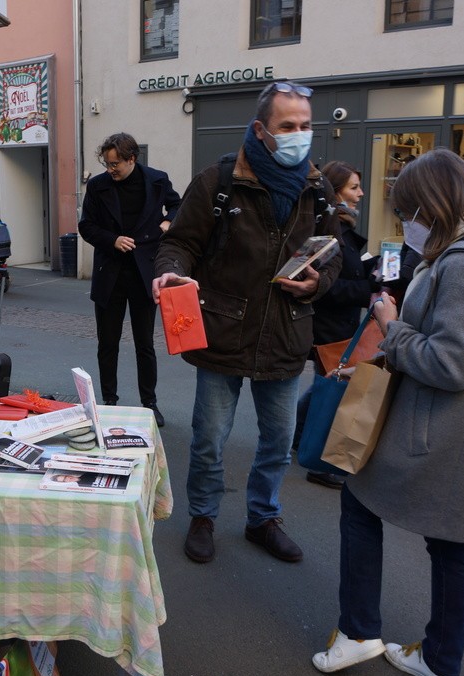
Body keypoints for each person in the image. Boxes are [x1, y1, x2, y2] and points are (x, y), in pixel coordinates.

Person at [311, 148, 464, 676]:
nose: (405, 223)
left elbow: (450, 362)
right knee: (447, 543)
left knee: (363, 504)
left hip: (444, 433)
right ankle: (438, 658)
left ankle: (361, 632)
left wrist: (392, 326)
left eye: (409, 211)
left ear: (432, 206)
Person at [151, 81, 342, 564]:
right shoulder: (219, 181)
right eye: (288, 126)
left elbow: (335, 255)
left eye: (305, 126)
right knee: (210, 439)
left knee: (277, 443)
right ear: (261, 129)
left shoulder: (317, 188)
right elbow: (181, 243)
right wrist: (170, 271)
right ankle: (203, 515)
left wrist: (317, 282)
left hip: (285, 334)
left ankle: (263, 518)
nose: (300, 135)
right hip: (224, 331)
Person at [79, 132, 181, 427]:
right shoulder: (98, 186)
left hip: (143, 273)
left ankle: (150, 402)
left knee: (145, 344)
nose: (110, 169)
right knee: (107, 343)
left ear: (131, 159)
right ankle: (109, 401)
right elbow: (86, 226)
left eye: (115, 164)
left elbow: (178, 205)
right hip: (109, 274)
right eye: (107, 164)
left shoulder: (157, 180)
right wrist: (112, 240)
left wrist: (167, 221)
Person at [294, 160, 382, 490]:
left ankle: (298, 436)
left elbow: (348, 272)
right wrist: (369, 288)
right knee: (334, 391)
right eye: (354, 187)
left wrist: (375, 268)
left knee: (324, 386)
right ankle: (318, 460)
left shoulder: (344, 227)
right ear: (336, 191)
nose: (360, 193)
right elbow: (325, 288)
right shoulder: (330, 231)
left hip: (339, 327)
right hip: (328, 327)